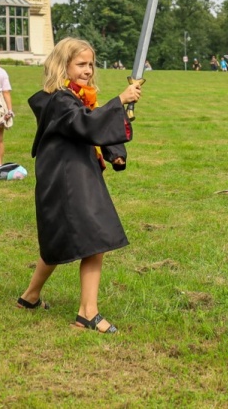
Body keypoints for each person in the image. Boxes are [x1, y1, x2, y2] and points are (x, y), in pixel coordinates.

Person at [17, 37, 142, 333]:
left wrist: (114, 154)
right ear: (64, 66)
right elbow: (84, 122)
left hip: (72, 172)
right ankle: (88, 313)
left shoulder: (77, 96)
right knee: (95, 237)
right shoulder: (61, 99)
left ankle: (30, 296)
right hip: (68, 177)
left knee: (60, 238)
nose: (88, 70)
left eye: (91, 64)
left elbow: (89, 122)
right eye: (81, 64)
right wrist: (120, 101)